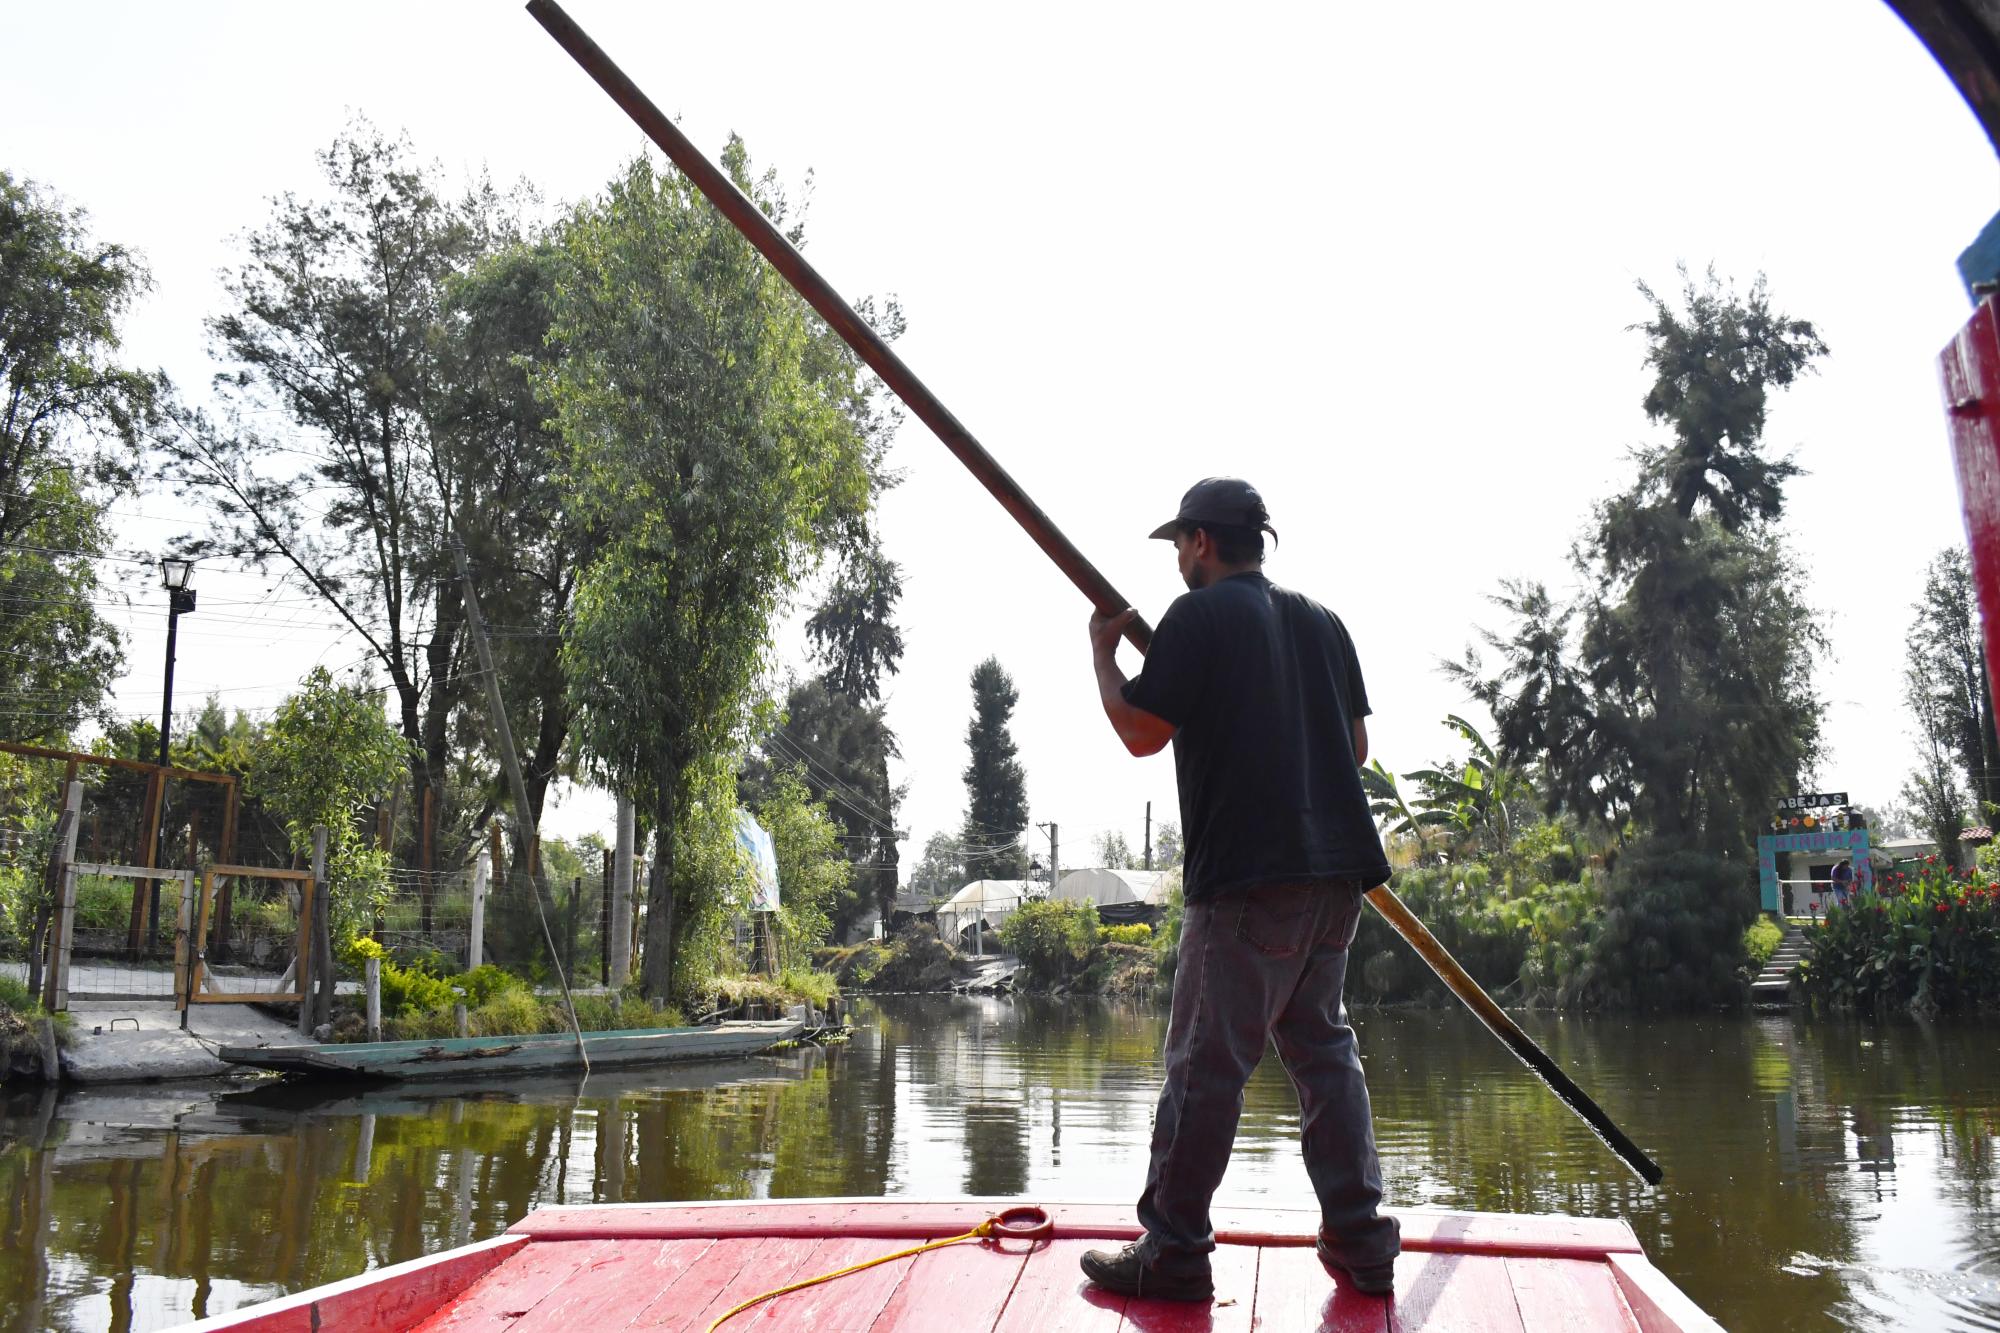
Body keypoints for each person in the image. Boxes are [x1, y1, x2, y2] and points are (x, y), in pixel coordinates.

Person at [1078, 476, 1401, 1303]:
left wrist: (1104, 659)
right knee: (1325, 1055)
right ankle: (1364, 1242)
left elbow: (1141, 731)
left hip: (1248, 887)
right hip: (1336, 884)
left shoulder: (1198, 616)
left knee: (1204, 1067)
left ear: (1201, 542)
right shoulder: (1324, 623)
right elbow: (1355, 747)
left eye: (1180, 543)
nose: (1179, 559)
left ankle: (1174, 1253)